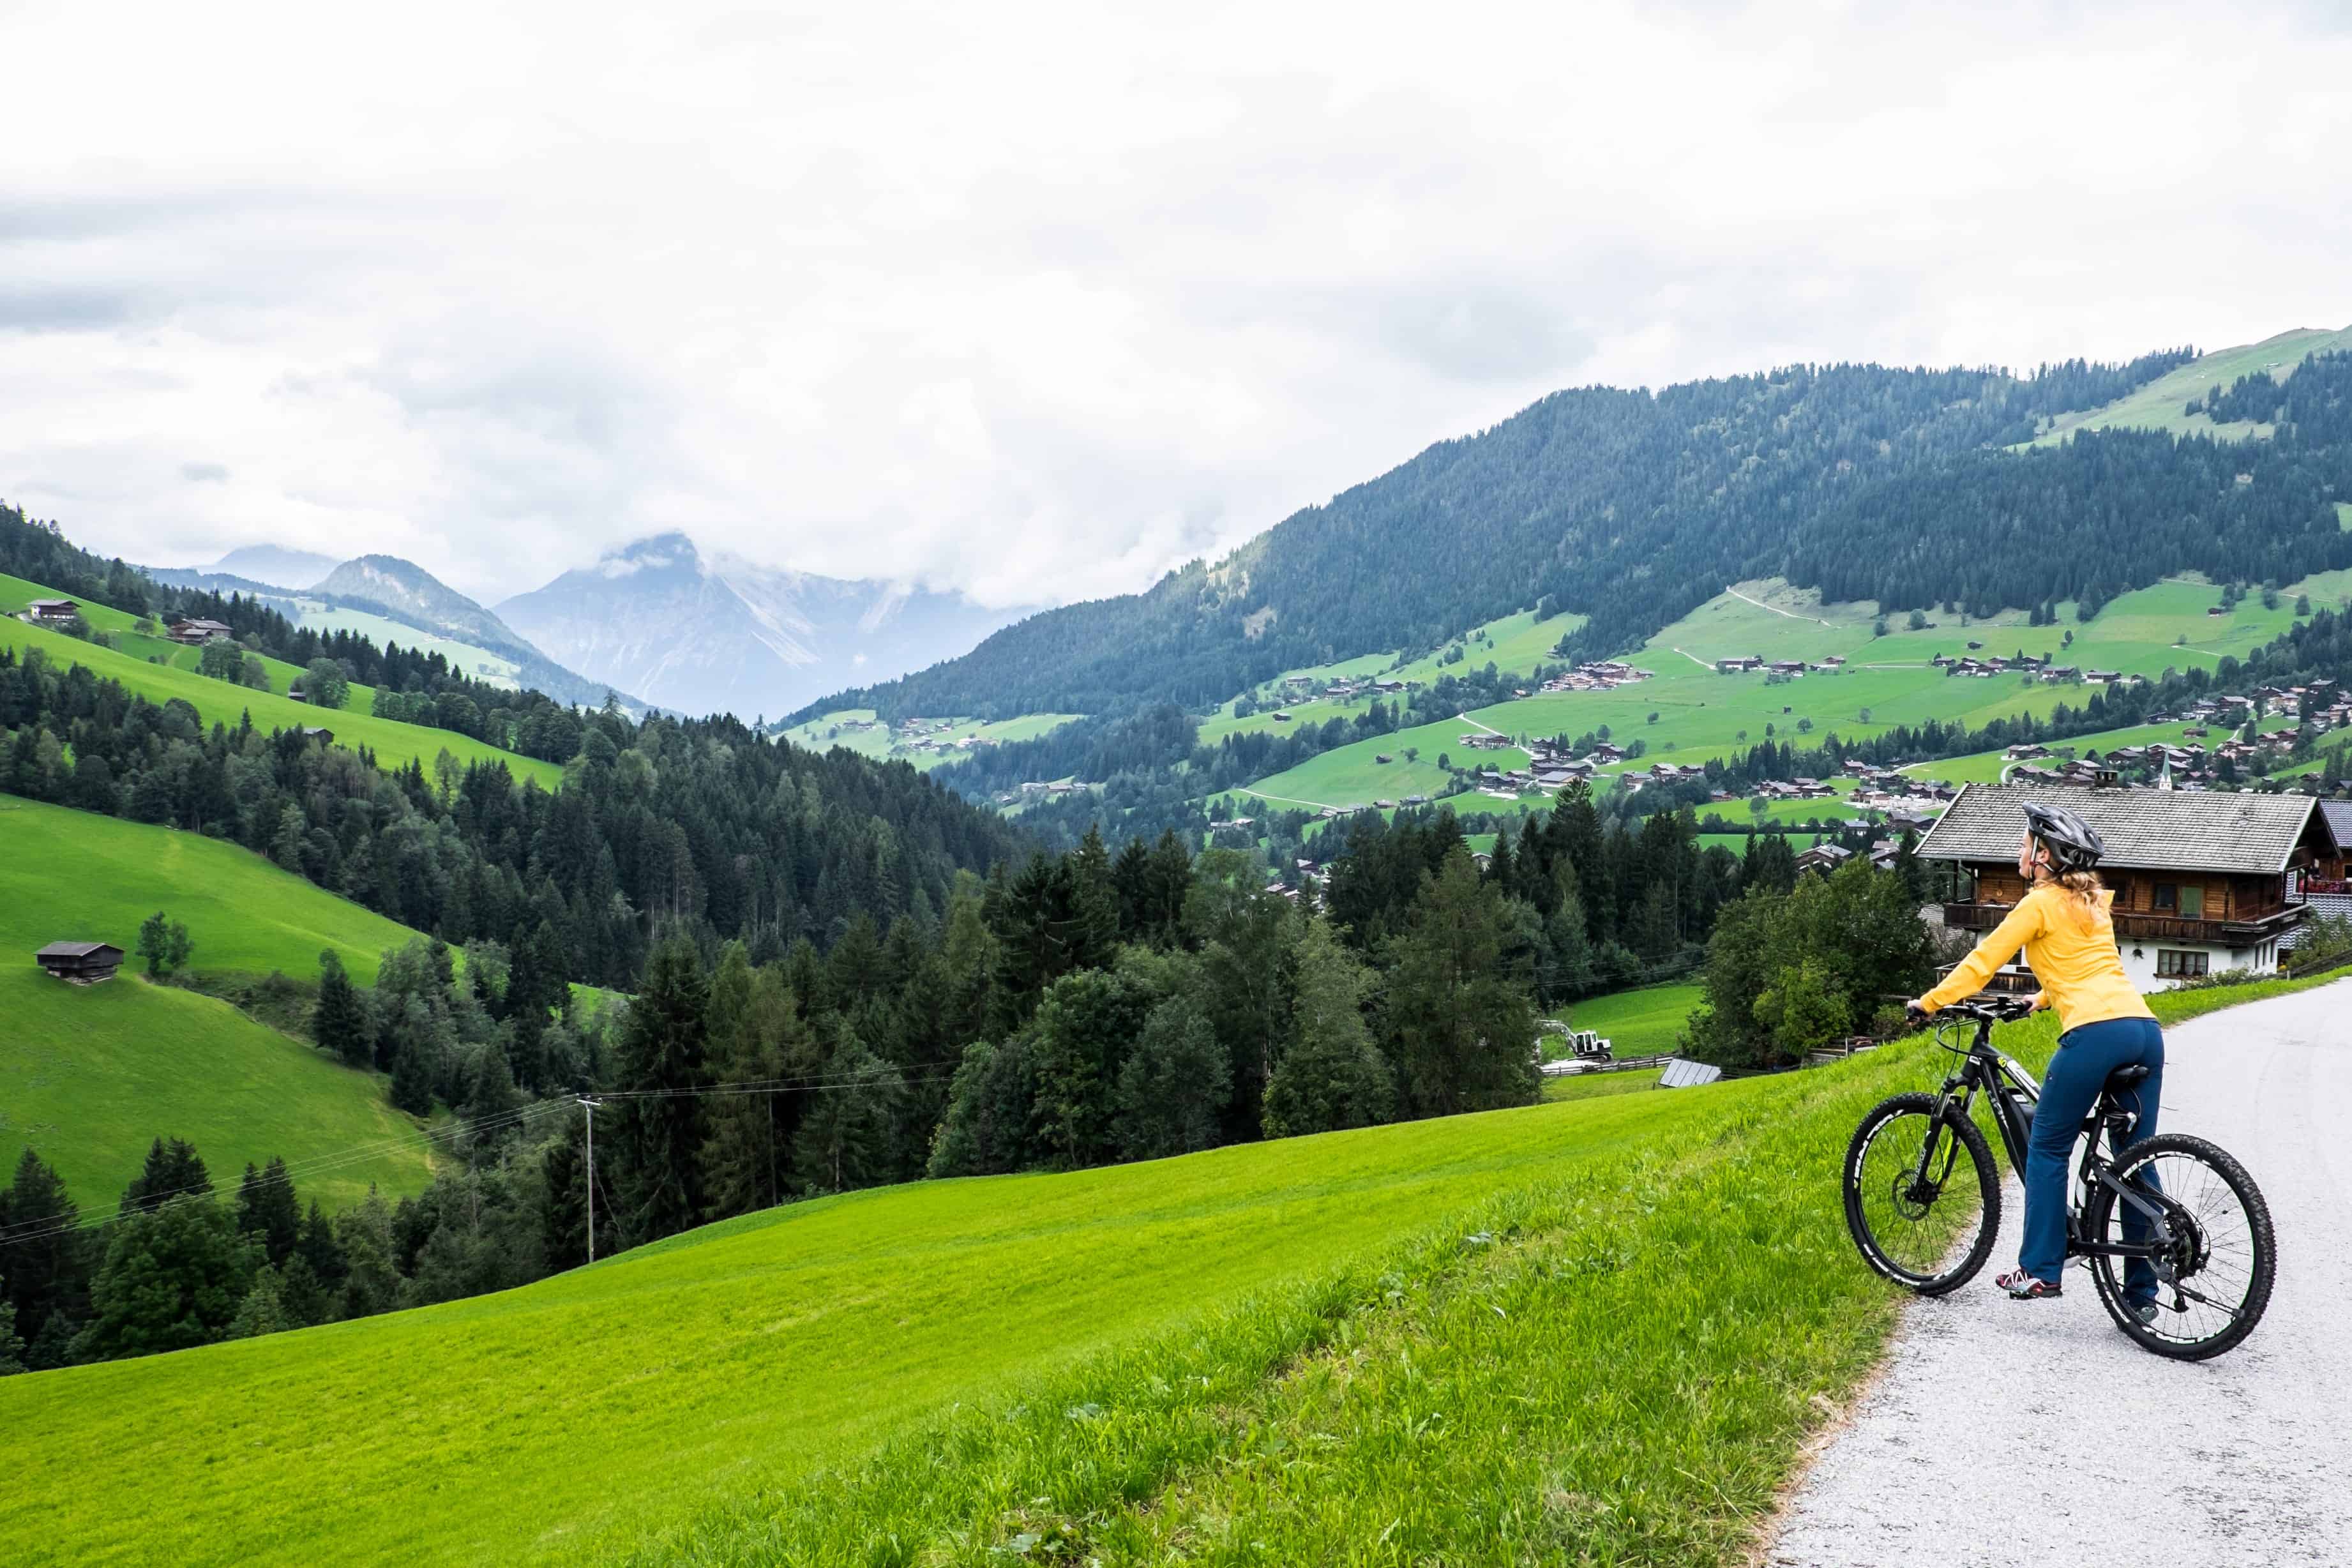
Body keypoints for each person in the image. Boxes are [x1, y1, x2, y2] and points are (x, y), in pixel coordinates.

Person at [1908, 801, 2162, 1313]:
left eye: (2027, 844)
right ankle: (2142, 1295)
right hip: (2143, 1030)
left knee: (2047, 1150)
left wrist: (1928, 1003)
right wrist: (2039, 999)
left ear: (2045, 856)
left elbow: (1981, 963)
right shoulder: (2092, 903)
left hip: (2093, 1035)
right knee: (2136, 1160)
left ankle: (2041, 1270)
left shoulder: (2038, 902)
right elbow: (2091, 967)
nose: (2021, 852)